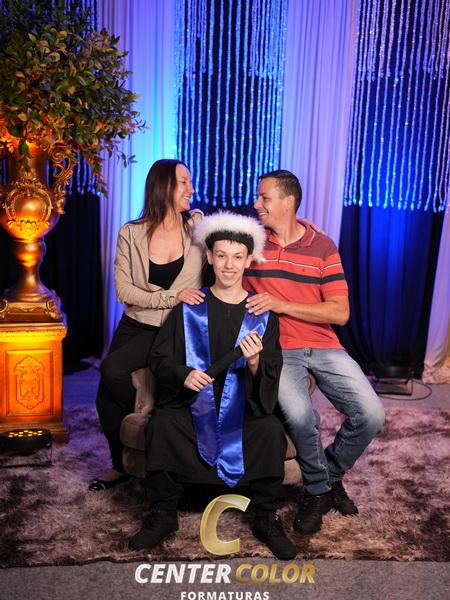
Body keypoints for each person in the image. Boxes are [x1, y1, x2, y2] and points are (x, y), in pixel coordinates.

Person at [129, 212, 297, 560]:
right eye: (221, 255)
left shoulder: (262, 315)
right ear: (209, 257)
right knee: (161, 425)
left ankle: (266, 518)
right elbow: (160, 359)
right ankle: (163, 513)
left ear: (249, 260)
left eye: (237, 257)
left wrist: (255, 362)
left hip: (241, 412)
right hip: (193, 409)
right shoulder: (190, 308)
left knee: (269, 431)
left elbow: (271, 373)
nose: (229, 265)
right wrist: (183, 374)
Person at [243, 170, 385, 534]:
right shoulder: (252, 241)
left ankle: (328, 477)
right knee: (300, 416)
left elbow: (340, 312)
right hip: (281, 348)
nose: (256, 204)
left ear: (288, 202)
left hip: (324, 345)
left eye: (264, 197)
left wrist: (281, 303)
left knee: (371, 414)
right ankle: (319, 492)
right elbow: (213, 245)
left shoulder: (322, 246)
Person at [89, 159, 205, 491]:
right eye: (184, 181)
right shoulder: (131, 232)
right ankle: (121, 464)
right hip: (137, 324)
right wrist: (172, 296)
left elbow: (238, 236)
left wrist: (297, 225)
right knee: (108, 387)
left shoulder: (197, 226)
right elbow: (124, 291)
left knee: (113, 370)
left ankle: (150, 420)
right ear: (163, 186)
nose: (191, 188)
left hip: (176, 328)